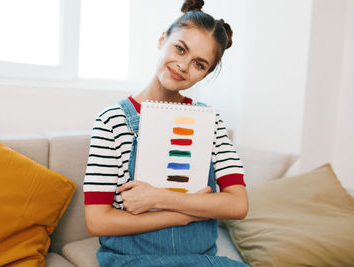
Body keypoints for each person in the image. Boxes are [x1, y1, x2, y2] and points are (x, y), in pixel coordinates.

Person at [83, 1, 249, 266]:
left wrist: (159, 198)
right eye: (180, 49)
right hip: (132, 260)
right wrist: (184, 214)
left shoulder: (211, 122)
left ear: (205, 74)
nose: (183, 65)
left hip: (201, 259)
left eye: (199, 63)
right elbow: (97, 220)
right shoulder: (112, 121)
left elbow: (238, 205)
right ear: (163, 39)